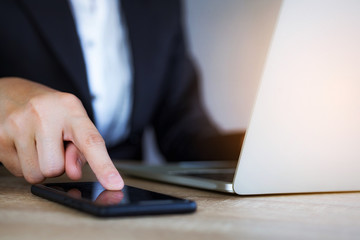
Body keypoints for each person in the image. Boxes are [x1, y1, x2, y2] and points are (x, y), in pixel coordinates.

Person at [0, 0, 243, 190]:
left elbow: (183, 129)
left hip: (128, 198)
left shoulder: (163, 5)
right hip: (20, 195)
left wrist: (253, 148)